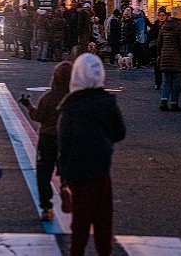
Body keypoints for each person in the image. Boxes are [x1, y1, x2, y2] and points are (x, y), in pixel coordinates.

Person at [57, 53, 126, 256]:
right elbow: (120, 132)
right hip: (101, 169)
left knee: (81, 221)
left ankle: (76, 252)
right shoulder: (107, 102)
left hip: (77, 173)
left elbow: (63, 144)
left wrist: (63, 175)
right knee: (104, 219)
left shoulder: (69, 107)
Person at [18, 61, 72, 222]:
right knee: (66, 170)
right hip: (65, 139)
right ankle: (65, 188)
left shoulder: (48, 97)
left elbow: (38, 117)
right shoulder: (73, 98)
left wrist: (28, 106)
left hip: (47, 139)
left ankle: (47, 208)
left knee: (44, 173)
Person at [157, 6, 181, 112]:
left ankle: (163, 101)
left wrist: (159, 55)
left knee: (166, 80)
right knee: (176, 81)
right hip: (177, 57)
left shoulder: (164, 25)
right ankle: (174, 103)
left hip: (165, 55)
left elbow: (159, 42)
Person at [148, 9, 167, 90]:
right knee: (157, 66)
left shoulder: (168, 25)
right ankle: (158, 82)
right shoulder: (155, 26)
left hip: (166, 48)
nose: (162, 17)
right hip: (156, 48)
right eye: (160, 15)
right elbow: (151, 35)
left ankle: (166, 83)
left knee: (166, 67)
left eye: (163, 15)